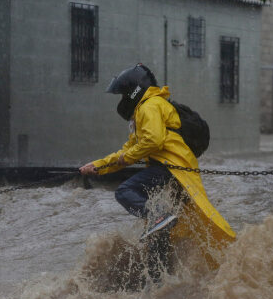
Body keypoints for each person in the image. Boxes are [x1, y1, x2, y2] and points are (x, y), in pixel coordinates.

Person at [79, 63, 235, 282]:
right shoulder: (144, 110)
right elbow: (128, 149)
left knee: (126, 191)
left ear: (133, 90)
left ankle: (157, 216)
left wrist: (127, 158)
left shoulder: (149, 105)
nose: (121, 100)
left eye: (122, 94)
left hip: (170, 167)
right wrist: (98, 165)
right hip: (172, 169)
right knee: (163, 231)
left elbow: (153, 140)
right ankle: (158, 281)